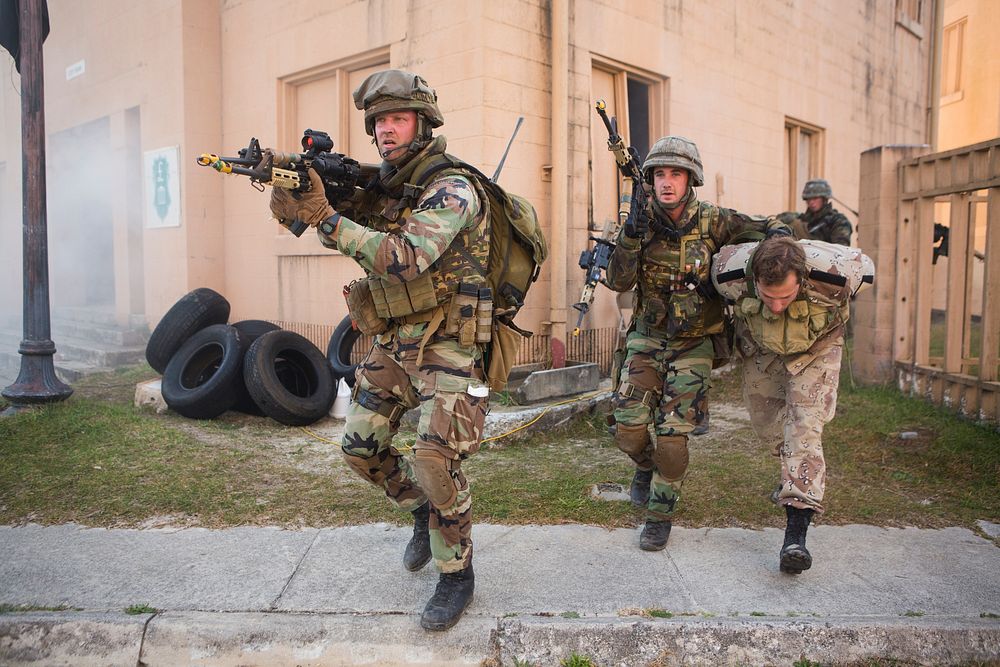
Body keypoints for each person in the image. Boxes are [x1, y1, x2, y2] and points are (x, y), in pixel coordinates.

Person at [269, 69, 490, 630]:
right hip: (397, 339)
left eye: (398, 118)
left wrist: (327, 216)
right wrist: (302, 199)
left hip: (454, 344)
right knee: (359, 447)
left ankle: (456, 574)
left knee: (436, 460)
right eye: (379, 122)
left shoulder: (452, 188)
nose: (386, 130)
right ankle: (421, 512)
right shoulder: (386, 187)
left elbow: (403, 256)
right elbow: (346, 235)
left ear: (422, 123)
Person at [604, 136, 789, 551]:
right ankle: (645, 468)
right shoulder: (638, 220)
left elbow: (769, 228)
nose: (667, 182)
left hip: (695, 344)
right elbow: (616, 281)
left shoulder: (713, 221)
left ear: (691, 179)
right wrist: (630, 237)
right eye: (660, 174)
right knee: (628, 432)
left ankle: (660, 514)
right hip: (647, 338)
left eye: (676, 173)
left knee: (672, 437)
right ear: (649, 179)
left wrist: (783, 246)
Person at [712, 236, 873, 574]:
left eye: (785, 297)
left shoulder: (838, 276)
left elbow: (867, 272)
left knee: (804, 430)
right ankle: (788, 471)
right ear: (754, 281)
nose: (775, 305)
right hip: (762, 346)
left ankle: (795, 536)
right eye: (768, 297)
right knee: (767, 424)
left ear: (801, 280)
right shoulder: (729, 273)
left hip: (817, 347)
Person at [787, 179, 853, 245]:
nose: (811, 202)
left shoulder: (838, 221)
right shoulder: (803, 220)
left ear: (824, 199)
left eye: (815, 198)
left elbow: (841, 249)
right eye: (808, 199)